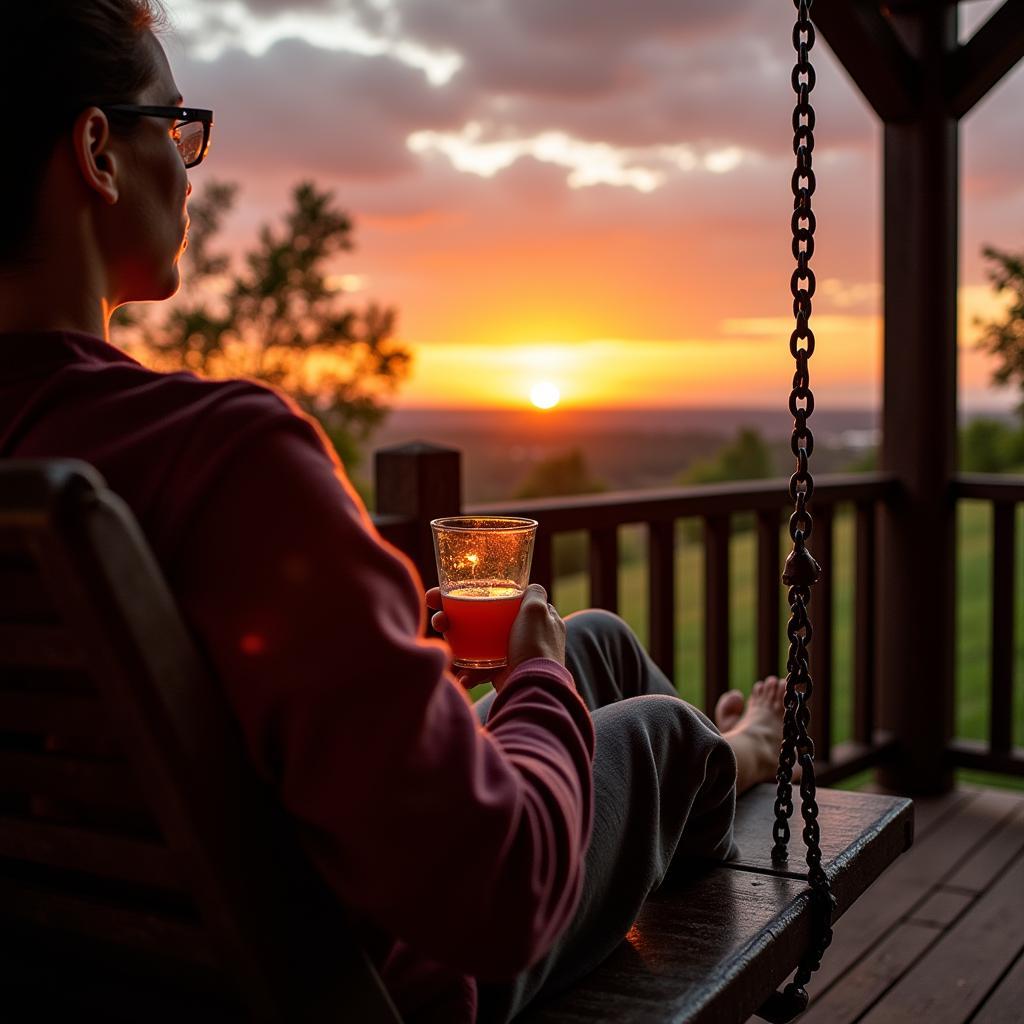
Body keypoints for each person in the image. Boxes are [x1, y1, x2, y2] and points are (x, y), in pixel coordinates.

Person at [0, 3, 787, 1021]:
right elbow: (495, 891)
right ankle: (738, 755)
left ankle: (690, 766)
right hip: (389, 975)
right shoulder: (223, 456)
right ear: (99, 150)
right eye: (177, 125)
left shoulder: (55, 450)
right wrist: (537, 673)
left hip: (137, 953)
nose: (189, 169)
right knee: (648, 728)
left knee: (595, 638)